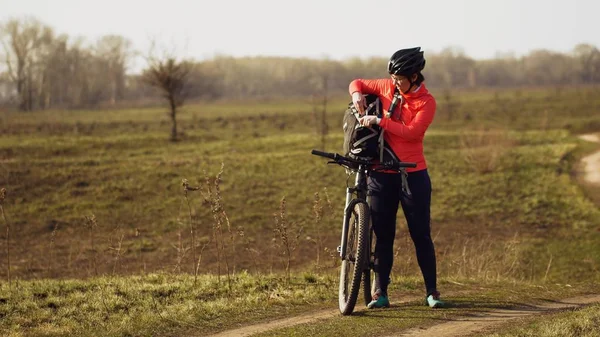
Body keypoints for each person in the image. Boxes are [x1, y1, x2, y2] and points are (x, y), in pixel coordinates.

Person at [348, 47, 444, 309]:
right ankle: (380, 293)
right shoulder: (388, 86)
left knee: (420, 235)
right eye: (392, 77)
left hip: (413, 175)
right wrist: (357, 95)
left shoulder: (427, 102)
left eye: (400, 78)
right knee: (383, 235)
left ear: (415, 77)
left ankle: (432, 293)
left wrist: (379, 120)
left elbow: (411, 133)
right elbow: (356, 82)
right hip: (381, 175)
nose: (394, 83)